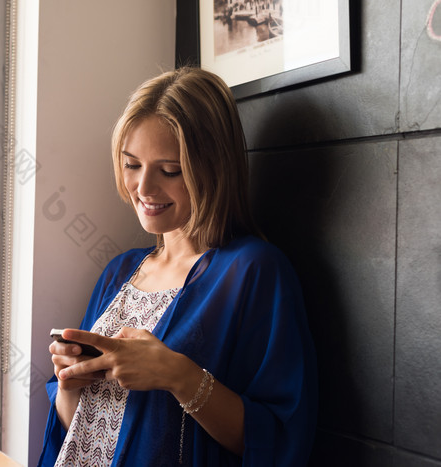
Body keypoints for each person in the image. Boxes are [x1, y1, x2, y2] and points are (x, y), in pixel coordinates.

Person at [37, 67, 317, 466]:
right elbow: (74, 432)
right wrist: (70, 385)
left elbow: (281, 436)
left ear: (213, 169)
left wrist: (177, 376)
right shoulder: (119, 273)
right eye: (132, 165)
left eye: (170, 171)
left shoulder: (253, 272)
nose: (144, 188)